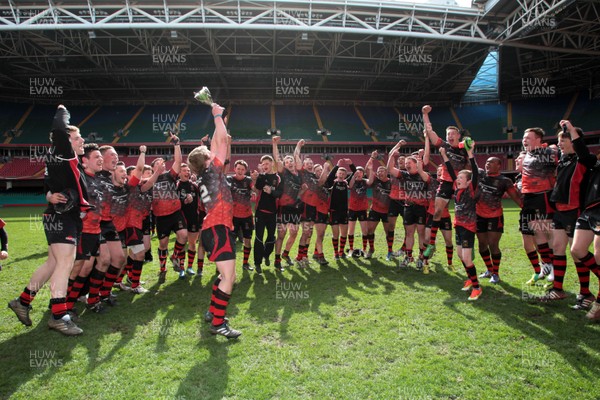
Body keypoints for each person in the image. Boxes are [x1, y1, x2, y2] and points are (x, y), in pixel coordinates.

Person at [8, 104, 89, 335]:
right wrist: (63, 110)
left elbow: (50, 187)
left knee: (53, 264)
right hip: (63, 218)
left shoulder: (56, 159)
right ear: (66, 140)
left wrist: (48, 195)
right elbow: (59, 129)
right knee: (64, 264)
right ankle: (58, 316)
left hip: (60, 216)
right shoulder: (63, 152)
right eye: (77, 137)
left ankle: (22, 302)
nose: (81, 140)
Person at [188, 103, 241, 338]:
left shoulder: (207, 173)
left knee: (223, 276)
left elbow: (219, 143)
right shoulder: (213, 172)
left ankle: (213, 313)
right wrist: (218, 115)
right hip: (217, 228)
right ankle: (218, 323)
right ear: (208, 160)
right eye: (211, 154)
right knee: (229, 277)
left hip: (215, 228)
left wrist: (220, 122)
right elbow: (221, 140)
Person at [539, 128, 588, 301]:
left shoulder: (582, 160)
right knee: (558, 248)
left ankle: (585, 292)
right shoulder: (564, 161)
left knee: (577, 253)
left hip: (574, 210)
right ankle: (558, 290)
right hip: (560, 210)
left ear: (573, 141)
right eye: (559, 140)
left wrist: (569, 127)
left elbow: (582, 149)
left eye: (563, 140)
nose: (559, 143)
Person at [562, 120, 600, 319]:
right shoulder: (593, 162)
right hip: (589, 210)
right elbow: (583, 152)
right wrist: (570, 129)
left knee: (598, 254)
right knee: (577, 250)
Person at [422, 105, 470, 258]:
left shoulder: (464, 150)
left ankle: (468, 243)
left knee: (464, 214)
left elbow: (470, 167)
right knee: (437, 211)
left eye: (452, 134)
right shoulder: (444, 145)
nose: (450, 136)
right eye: (448, 134)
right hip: (446, 183)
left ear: (458, 136)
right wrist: (425, 115)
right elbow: (430, 132)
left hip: (461, 184)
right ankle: (431, 244)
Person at [440, 143, 482, 300]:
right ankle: (471, 279)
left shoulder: (471, 189)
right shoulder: (457, 189)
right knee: (460, 254)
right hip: (458, 226)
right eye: (457, 178)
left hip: (468, 227)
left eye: (461, 178)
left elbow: (475, 173)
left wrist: (471, 154)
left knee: (466, 257)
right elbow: (451, 171)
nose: (458, 179)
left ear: (469, 181)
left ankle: (477, 287)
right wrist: (444, 156)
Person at [521, 127, 559, 285]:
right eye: (523, 137)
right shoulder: (528, 154)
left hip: (543, 195)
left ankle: (555, 268)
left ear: (538, 140)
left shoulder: (548, 153)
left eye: (528, 138)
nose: (524, 140)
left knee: (546, 232)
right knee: (537, 234)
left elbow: (559, 167)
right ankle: (547, 265)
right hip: (529, 197)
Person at [476, 157, 522, 284]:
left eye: (491, 162)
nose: (487, 164)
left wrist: (526, 209)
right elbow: (469, 164)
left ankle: (496, 273)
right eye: (486, 162)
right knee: (481, 245)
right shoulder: (480, 175)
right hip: (479, 215)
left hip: (495, 216)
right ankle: (489, 270)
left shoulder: (504, 181)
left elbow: (516, 198)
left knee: (493, 244)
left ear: (499, 166)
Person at [388, 142, 431, 272]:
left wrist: (421, 158)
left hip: (421, 207)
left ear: (415, 164)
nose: (406, 165)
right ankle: (408, 256)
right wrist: (392, 157)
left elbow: (424, 166)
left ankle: (421, 257)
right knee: (409, 233)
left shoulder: (423, 174)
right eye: (405, 163)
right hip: (408, 206)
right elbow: (390, 169)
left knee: (421, 233)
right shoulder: (404, 175)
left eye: (408, 163)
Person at [152, 134, 188, 282]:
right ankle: (163, 269)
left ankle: (175, 256)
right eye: (159, 164)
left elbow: (178, 161)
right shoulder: (149, 180)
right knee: (163, 244)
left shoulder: (169, 175)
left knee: (183, 235)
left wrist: (177, 144)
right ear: (153, 167)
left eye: (163, 163)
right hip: (161, 216)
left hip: (175, 212)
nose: (163, 165)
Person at [272, 136, 303, 271]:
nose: (289, 162)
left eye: (291, 160)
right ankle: (277, 260)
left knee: (294, 233)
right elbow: (276, 158)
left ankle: (285, 254)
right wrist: (274, 144)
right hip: (284, 208)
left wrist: (298, 146)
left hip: (295, 208)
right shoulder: (283, 173)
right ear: (284, 165)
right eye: (287, 161)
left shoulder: (299, 175)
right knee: (281, 235)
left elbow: (297, 157)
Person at [253, 155, 282, 273]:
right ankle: (257, 263)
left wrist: (272, 191)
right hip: (260, 212)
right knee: (259, 238)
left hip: (272, 213)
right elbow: (257, 187)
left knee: (271, 238)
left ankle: (266, 254)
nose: (265, 166)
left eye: (267, 163)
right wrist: (256, 178)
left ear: (271, 164)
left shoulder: (278, 178)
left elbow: (280, 193)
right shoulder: (261, 176)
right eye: (263, 164)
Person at [227, 160, 258, 271]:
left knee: (247, 240)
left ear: (246, 171)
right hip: (232, 217)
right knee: (230, 242)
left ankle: (245, 263)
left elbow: (256, 190)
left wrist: (254, 179)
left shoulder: (248, 180)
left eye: (243, 169)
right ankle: (229, 264)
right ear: (234, 169)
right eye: (238, 168)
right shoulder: (229, 180)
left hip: (247, 215)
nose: (240, 171)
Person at [365, 152, 391, 259]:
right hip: (375, 210)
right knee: (370, 230)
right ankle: (371, 249)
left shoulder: (391, 182)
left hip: (387, 211)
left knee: (388, 232)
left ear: (386, 173)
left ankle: (390, 251)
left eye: (382, 171)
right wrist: (372, 158)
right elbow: (367, 169)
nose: (380, 173)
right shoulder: (375, 180)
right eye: (379, 171)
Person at [178, 163, 202, 276]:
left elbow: (203, 198)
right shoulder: (176, 185)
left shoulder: (194, 186)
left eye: (188, 170)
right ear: (179, 173)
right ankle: (181, 267)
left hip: (194, 217)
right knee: (182, 243)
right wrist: (184, 202)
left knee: (192, 243)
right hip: (181, 218)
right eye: (184, 170)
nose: (187, 172)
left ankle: (190, 267)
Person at [347, 166, 369, 256]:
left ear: (363, 174)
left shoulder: (365, 181)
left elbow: (370, 181)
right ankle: (351, 249)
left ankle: (364, 249)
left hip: (362, 209)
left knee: (364, 230)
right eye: (357, 172)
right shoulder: (352, 181)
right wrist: (353, 176)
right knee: (351, 230)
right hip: (352, 208)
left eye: (360, 172)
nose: (358, 173)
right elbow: (350, 185)